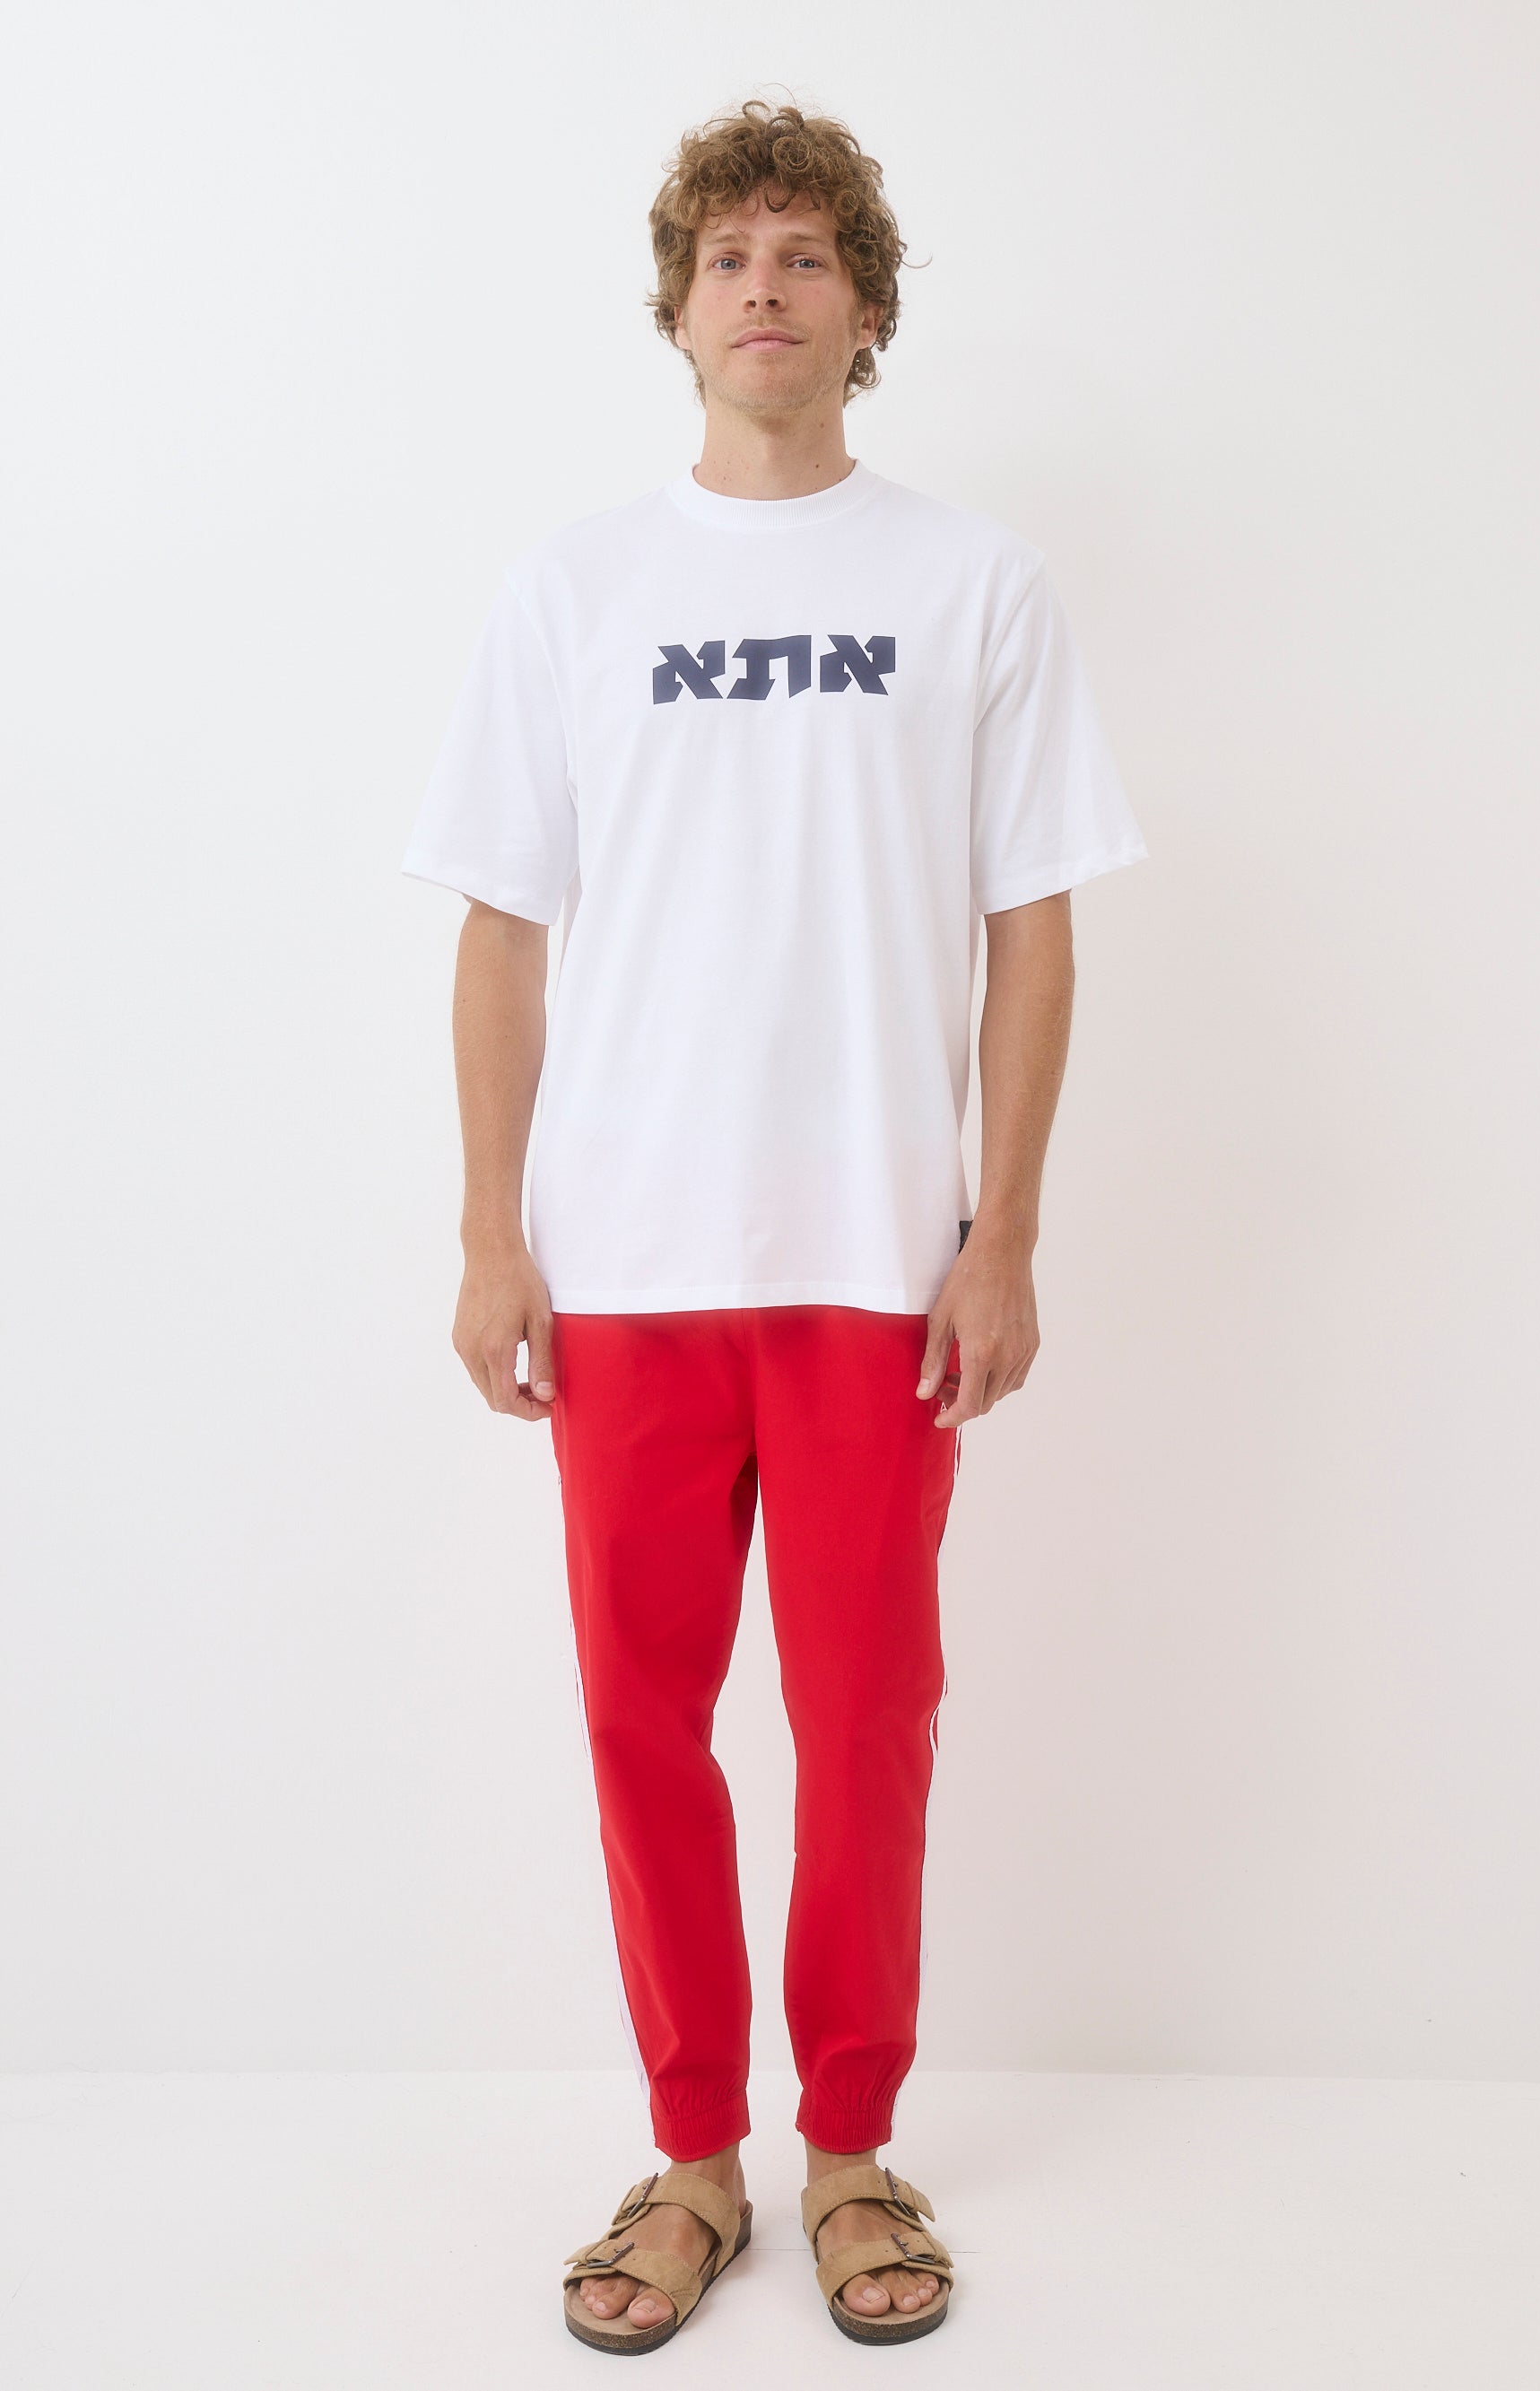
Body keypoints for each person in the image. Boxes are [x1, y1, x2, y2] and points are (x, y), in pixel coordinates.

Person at [402, 95, 1148, 2353]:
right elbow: (502, 931)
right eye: (726, 253)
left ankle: (849, 2150)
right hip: (624, 1263)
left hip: (869, 1261)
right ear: (676, 307)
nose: (763, 284)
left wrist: (1001, 1232)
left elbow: (1034, 927)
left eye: (806, 252)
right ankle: (691, 2160)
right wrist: (490, 1234)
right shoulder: (575, 588)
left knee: (865, 1717)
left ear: (863, 308)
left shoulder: (972, 584)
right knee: (643, 1720)